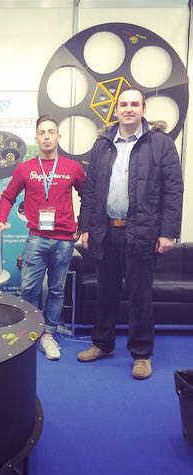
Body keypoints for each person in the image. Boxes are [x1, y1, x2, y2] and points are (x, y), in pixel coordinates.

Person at [77, 87, 184, 380]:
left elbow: (173, 190)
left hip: (142, 232)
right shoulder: (102, 144)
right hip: (106, 231)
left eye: (134, 104)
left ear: (143, 109)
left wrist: (168, 232)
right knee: (106, 293)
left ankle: (141, 354)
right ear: (116, 110)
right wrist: (85, 227)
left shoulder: (161, 144)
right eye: (123, 104)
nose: (128, 109)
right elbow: (90, 190)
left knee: (140, 296)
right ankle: (102, 344)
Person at [0, 115, 85, 360]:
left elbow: (89, 196)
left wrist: (83, 226)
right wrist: (1, 219)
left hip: (64, 240)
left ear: (58, 137)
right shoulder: (25, 169)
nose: (47, 137)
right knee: (29, 289)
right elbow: (8, 196)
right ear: (36, 139)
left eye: (51, 132)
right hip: (37, 238)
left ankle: (48, 335)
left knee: (57, 290)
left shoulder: (72, 168)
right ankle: (28, 331)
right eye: (42, 133)